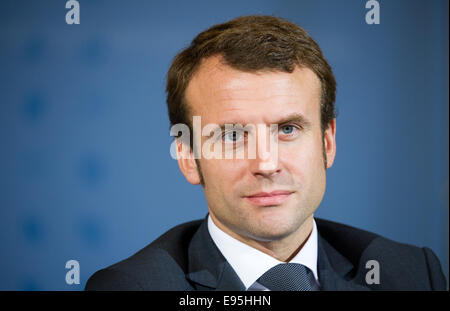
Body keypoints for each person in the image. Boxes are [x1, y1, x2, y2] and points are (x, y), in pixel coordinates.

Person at [85, 15, 447, 291]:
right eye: (232, 136)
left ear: (327, 142)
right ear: (187, 157)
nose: (267, 164)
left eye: (288, 129)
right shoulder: (136, 285)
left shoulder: (410, 272)